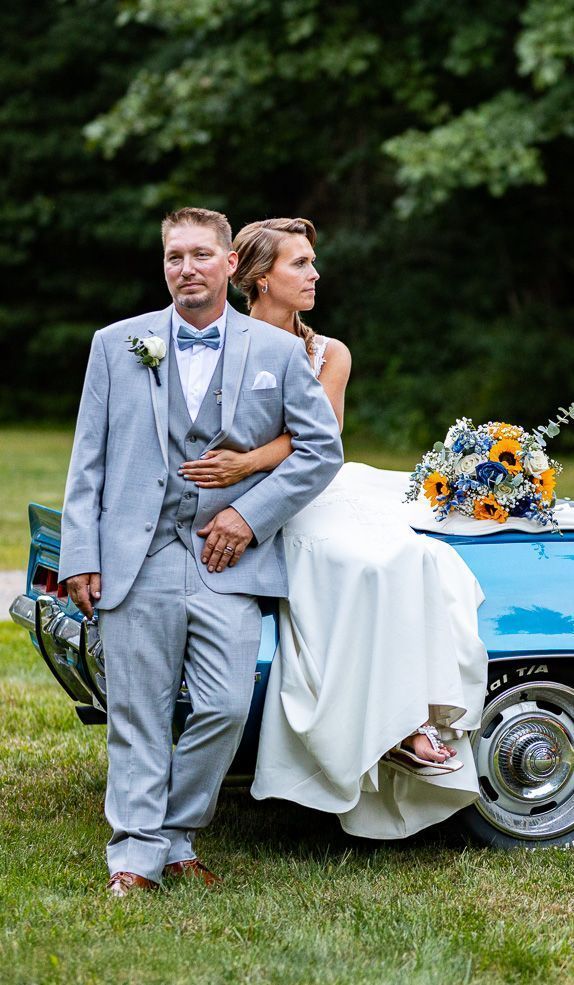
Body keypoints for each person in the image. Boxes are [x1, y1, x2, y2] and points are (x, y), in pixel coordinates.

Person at [58, 207, 343, 895]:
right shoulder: (115, 344)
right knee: (139, 711)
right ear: (165, 264)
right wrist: (79, 554)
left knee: (223, 707)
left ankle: (175, 829)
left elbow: (320, 448)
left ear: (227, 264)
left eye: (199, 255)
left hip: (230, 558)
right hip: (138, 553)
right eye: (173, 256)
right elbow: (87, 460)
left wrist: (250, 515)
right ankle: (136, 855)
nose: (186, 268)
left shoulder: (275, 352)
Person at [180, 217, 489, 840]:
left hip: (319, 483)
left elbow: (320, 440)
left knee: (415, 556)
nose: (315, 274)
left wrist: (249, 459)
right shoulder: (217, 341)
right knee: (361, 565)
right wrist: (242, 473)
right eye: (300, 264)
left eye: (312, 262)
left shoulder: (330, 352)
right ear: (258, 275)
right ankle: (376, 726)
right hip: (253, 498)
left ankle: (412, 720)